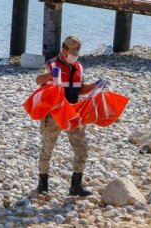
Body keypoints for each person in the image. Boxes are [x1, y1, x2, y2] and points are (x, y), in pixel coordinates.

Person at [35, 36, 103, 197]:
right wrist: (51, 75)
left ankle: (76, 186)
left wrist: (96, 85)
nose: (75, 54)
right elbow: (38, 80)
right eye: (73, 51)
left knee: (82, 150)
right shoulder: (51, 64)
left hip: (73, 114)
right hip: (53, 115)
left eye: (77, 51)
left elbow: (80, 89)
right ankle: (42, 184)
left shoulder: (79, 66)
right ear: (64, 50)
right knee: (47, 150)